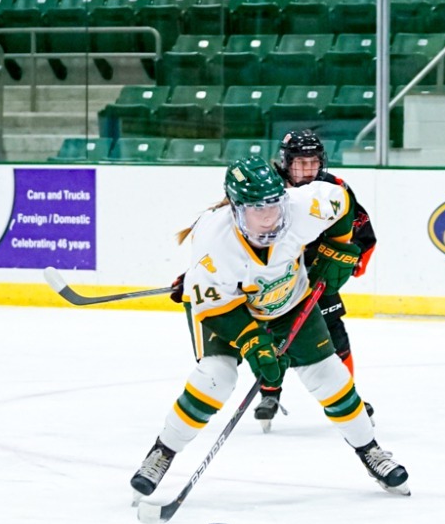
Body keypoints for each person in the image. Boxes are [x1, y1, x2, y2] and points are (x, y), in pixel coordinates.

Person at [130, 156, 408, 498]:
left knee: (330, 377)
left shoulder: (303, 207)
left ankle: (370, 451)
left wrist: (338, 249)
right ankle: (162, 452)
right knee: (216, 378)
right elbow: (218, 308)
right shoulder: (213, 242)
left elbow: (343, 202)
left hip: (287, 301)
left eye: (275, 205)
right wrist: (253, 343)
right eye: (257, 210)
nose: (269, 217)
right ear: (235, 208)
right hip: (226, 309)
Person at [250, 128, 378, 429]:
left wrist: (351, 262)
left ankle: (347, 395)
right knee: (271, 334)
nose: (308, 169)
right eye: (300, 162)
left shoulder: (334, 188)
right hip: (275, 275)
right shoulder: (267, 187)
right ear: (286, 161)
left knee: (334, 334)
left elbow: (361, 225)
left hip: (319, 272)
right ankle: (269, 393)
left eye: (314, 162)